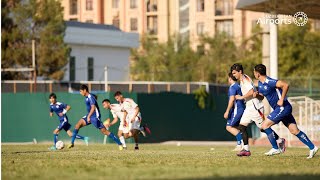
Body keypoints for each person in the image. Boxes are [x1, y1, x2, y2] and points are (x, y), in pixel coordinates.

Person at [253, 64, 318, 158]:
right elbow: (262, 96)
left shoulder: (270, 81)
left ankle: (276, 148)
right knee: (294, 130)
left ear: (257, 73)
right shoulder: (260, 83)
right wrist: (257, 95)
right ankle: (313, 148)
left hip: (283, 107)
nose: (254, 73)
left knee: (264, 125)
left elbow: (285, 85)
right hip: (281, 109)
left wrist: (282, 99)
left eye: (254, 72)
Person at [231, 63, 285, 156]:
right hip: (249, 107)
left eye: (235, 73)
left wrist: (241, 97)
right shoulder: (243, 78)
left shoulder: (244, 80)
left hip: (255, 108)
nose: (233, 75)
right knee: (242, 127)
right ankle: (246, 150)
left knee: (264, 128)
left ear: (240, 71)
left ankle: (279, 140)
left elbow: (252, 92)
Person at [67, 85, 123, 150]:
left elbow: (93, 107)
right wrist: (88, 116)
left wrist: (89, 116)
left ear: (85, 90)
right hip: (89, 115)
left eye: (81, 91)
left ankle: (119, 144)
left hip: (95, 117)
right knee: (77, 125)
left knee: (105, 132)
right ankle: (72, 143)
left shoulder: (90, 97)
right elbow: (94, 98)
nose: (80, 93)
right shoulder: (88, 97)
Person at [223, 73, 245, 151]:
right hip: (239, 108)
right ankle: (241, 143)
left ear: (230, 78)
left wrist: (227, 111)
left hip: (237, 109)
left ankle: (241, 144)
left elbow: (232, 99)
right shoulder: (238, 85)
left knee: (229, 127)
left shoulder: (232, 87)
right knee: (235, 127)